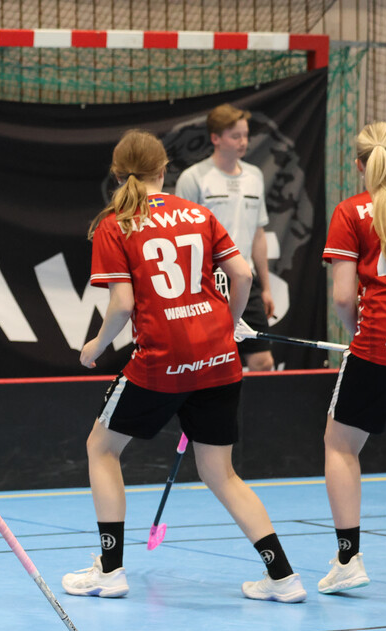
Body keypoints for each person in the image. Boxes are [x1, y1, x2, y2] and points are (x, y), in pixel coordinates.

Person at [65, 129, 305, 603]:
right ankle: (283, 577)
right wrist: (228, 324)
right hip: (218, 359)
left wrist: (95, 346)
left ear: (118, 174)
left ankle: (110, 571)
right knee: (222, 473)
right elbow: (242, 274)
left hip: (162, 362)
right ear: (164, 170)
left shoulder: (117, 224)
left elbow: (122, 305)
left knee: (102, 448)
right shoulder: (198, 213)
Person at [318, 121, 386, 595]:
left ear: (359, 165)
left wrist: (357, 337)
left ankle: (348, 559)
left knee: (340, 446)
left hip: (380, 345)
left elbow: (344, 297)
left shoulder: (351, 212)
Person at [175, 103, 276, 371]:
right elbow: (180, 238)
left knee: (262, 361)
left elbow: (258, 234)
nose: (243, 142)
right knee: (209, 361)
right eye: (235, 136)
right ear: (215, 138)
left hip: (245, 279)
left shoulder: (254, 176)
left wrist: (265, 288)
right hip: (207, 282)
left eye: (246, 135)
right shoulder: (193, 178)